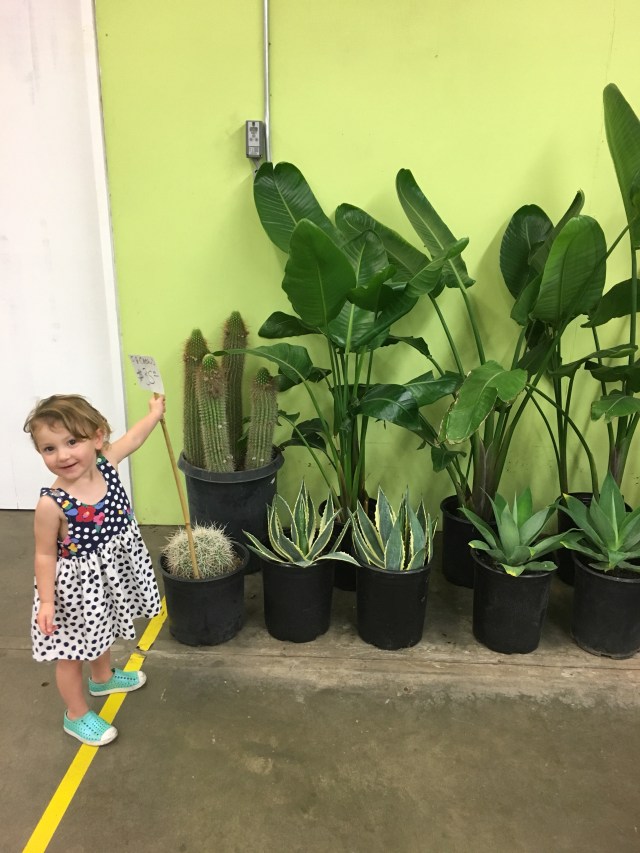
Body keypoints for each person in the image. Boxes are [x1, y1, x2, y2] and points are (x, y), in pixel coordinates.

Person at [23, 394, 165, 746]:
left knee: (101, 631)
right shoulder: (51, 504)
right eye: (50, 448)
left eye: (72, 441)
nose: (63, 455)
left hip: (106, 577)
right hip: (73, 592)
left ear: (98, 437)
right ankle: (76, 715)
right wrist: (46, 602)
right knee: (72, 654)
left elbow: (134, 437)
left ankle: (102, 678)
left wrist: (154, 412)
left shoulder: (107, 463)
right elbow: (44, 555)